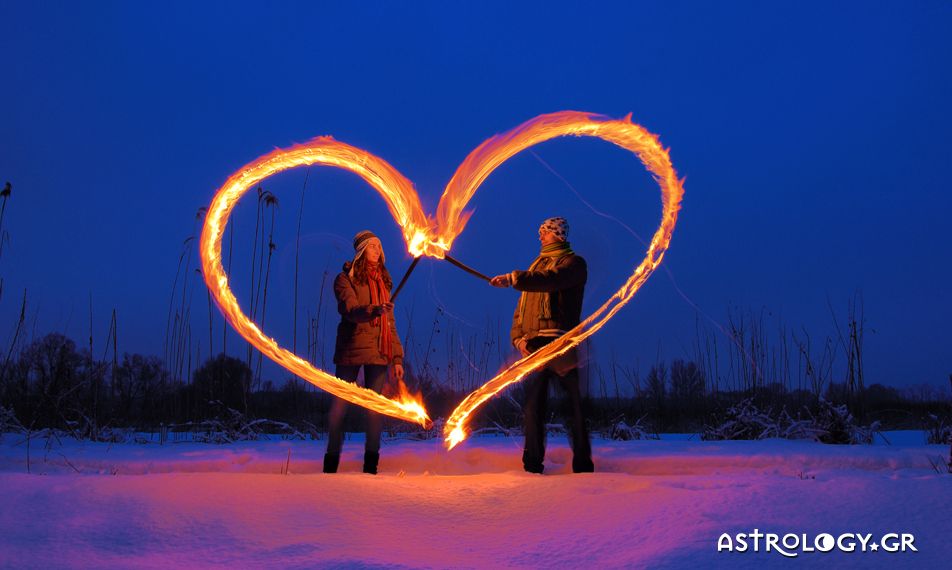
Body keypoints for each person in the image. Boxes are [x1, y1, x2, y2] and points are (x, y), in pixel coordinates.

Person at [490, 217, 594, 474]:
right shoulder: (534, 269)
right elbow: (521, 311)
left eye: (544, 232)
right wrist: (519, 338)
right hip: (535, 346)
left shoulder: (573, 264)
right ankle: (532, 465)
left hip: (561, 345)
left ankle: (583, 466)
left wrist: (514, 278)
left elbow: (552, 280)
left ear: (558, 235)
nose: (540, 236)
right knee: (533, 407)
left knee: (573, 408)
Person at [324, 230, 405, 475]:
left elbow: (390, 323)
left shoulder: (384, 282)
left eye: (379, 246)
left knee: (374, 413)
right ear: (361, 251)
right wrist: (374, 310)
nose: (377, 250)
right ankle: (330, 467)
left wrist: (397, 358)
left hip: (379, 352)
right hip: (351, 349)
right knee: (339, 410)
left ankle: (371, 468)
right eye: (372, 246)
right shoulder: (344, 279)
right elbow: (350, 309)